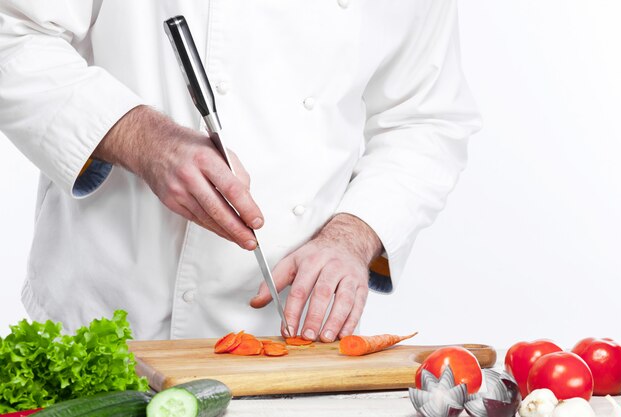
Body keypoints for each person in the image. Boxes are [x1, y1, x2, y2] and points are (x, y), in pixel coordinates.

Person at [0, 1, 481, 341]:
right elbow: (12, 32)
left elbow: (425, 117)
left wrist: (353, 235)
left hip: (289, 329)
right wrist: (141, 138)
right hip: (117, 303)